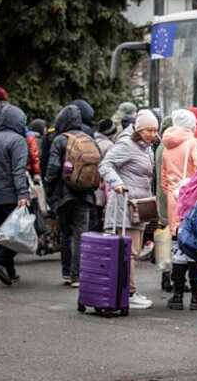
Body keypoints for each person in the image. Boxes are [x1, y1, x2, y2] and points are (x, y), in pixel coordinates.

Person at [99, 110, 159, 309]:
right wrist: (117, 183)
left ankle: (127, 291)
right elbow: (105, 165)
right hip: (125, 205)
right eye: (149, 130)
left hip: (138, 206)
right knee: (129, 252)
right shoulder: (127, 144)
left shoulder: (146, 147)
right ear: (139, 129)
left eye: (155, 130)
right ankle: (128, 292)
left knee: (132, 252)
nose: (153, 134)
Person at [161, 109, 197, 310]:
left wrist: (171, 192)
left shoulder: (166, 146)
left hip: (174, 197)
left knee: (179, 245)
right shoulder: (193, 142)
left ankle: (177, 295)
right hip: (191, 198)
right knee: (193, 246)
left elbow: (164, 178)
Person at [45, 105, 95, 287]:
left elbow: (52, 169)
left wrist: (49, 190)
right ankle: (77, 276)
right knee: (80, 233)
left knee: (65, 232)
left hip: (64, 193)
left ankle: (66, 272)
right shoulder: (88, 138)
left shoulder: (60, 140)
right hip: (86, 193)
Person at [0, 105, 29, 285]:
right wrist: (23, 194)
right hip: (13, 194)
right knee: (20, 233)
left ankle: (10, 272)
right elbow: (18, 170)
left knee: (5, 232)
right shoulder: (18, 141)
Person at [155, 116, 173, 292]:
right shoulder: (169, 146)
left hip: (161, 198)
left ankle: (165, 274)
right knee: (170, 238)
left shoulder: (160, 147)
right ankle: (169, 275)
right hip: (171, 199)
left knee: (164, 237)